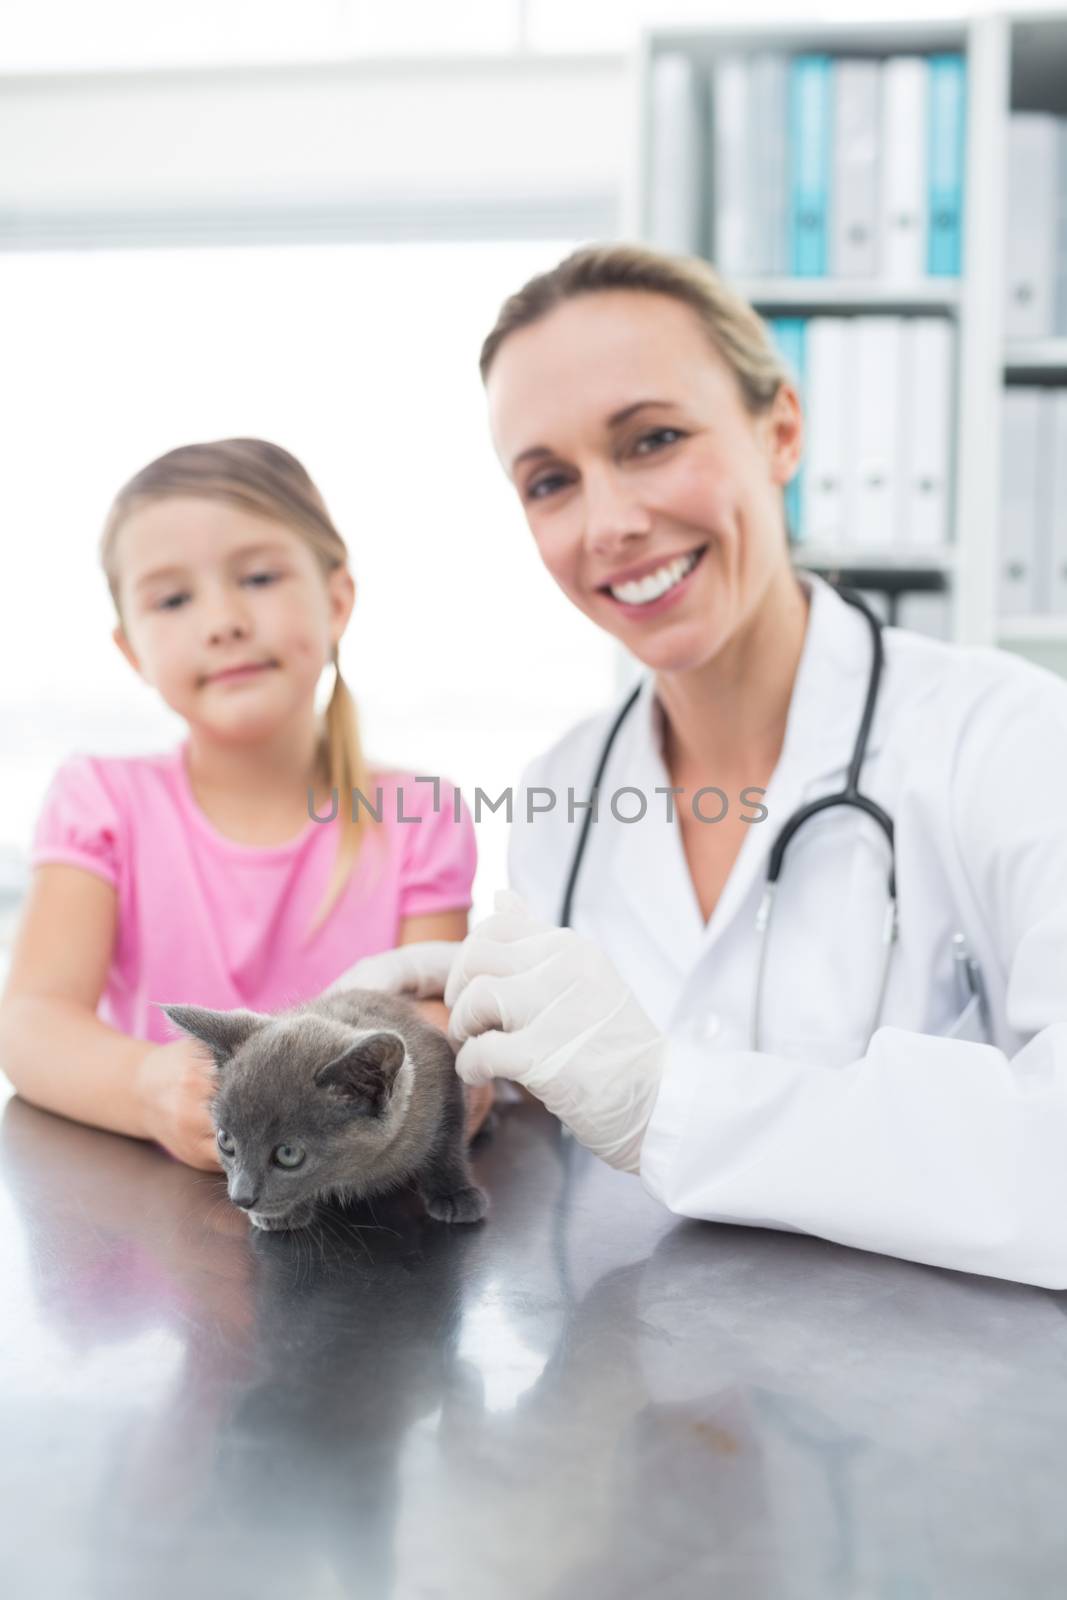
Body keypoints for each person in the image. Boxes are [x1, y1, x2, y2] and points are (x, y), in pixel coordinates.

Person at [346, 244, 1067, 1289]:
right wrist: (459, 1062)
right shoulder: (560, 794)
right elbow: (565, 1125)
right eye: (549, 481)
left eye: (651, 440)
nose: (607, 524)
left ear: (779, 430)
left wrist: (661, 1101)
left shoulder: (1009, 740)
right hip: (640, 1393)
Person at [0, 438, 492, 1170]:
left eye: (258, 577)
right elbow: (31, 1023)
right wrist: (144, 1087)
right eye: (172, 598)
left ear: (336, 600)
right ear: (131, 647)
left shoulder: (421, 814)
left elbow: (428, 1028)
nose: (223, 619)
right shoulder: (99, 800)